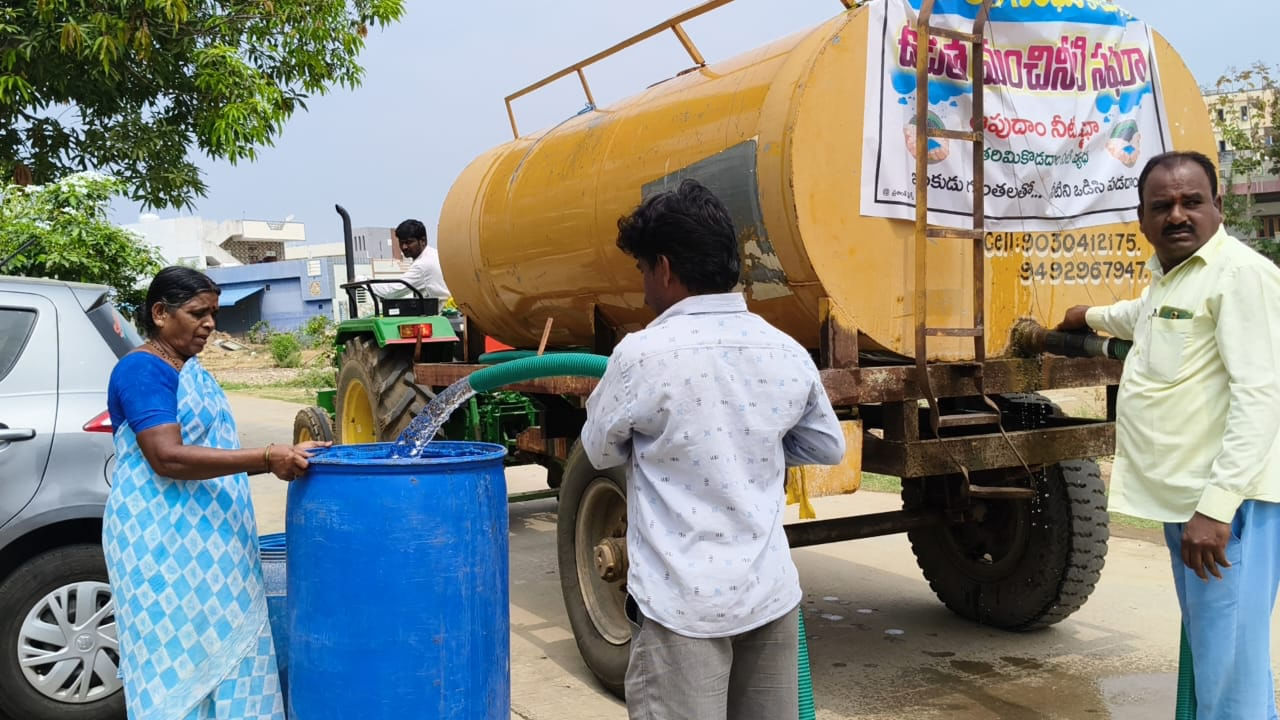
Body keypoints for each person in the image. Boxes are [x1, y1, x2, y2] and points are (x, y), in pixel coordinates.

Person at [581, 179, 846, 720]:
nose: (644, 287)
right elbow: (826, 445)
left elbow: (599, 450)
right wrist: (753, 444)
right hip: (768, 598)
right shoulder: (784, 350)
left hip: (682, 607)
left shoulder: (640, 356)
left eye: (643, 272)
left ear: (666, 267)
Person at [1056, 151, 1280, 718]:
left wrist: (1217, 510)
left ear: (1218, 207)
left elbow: (1261, 398)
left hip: (1228, 505)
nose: (1177, 215)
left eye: (1191, 202)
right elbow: (1143, 316)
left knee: (1230, 671)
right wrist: (1087, 316)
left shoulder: (1243, 276)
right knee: (1215, 657)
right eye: (1162, 205)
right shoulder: (1171, 281)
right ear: (1142, 218)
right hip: (1190, 499)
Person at [102, 266, 329, 720]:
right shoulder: (142, 369)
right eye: (197, 313)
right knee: (175, 657)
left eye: (214, 313)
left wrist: (286, 458)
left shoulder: (190, 369)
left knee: (232, 654)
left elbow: (214, 453)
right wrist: (268, 457)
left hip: (215, 544)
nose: (210, 324)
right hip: (160, 544)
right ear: (161, 314)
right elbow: (167, 457)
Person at [378, 218, 450, 300]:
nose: (404, 247)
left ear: (423, 240)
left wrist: (363, 282)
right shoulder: (434, 254)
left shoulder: (423, 264)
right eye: (401, 243)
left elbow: (391, 292)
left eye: (409, 242)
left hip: (441, 310)